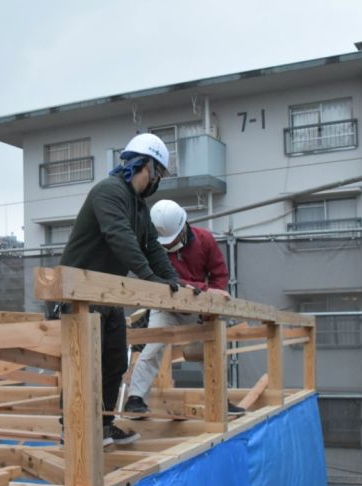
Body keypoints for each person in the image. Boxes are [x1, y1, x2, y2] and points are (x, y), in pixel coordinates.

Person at [58, 132, 182, 447]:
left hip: (108, 296)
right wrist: (147, 277)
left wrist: (171, 283)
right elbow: (119, 236)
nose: (157, 181)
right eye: (159, 173)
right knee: (83, 363)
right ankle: (72, 430)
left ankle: (103, 426)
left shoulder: (139, 207)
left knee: (114, 362)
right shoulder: (108, 192)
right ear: (148, 167)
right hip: (79, 296)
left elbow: (152, 247)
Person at [124, 199, 245, 417]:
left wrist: (212, 307)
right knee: (153, 348)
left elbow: (219, 275)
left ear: (182, 228)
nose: (167, 246)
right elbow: (162, 279)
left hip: (199, 309)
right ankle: (135, 399)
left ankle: (221, 400)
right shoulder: (153, 246)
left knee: (211, 352)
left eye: (169, 241)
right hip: (166, 306)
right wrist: (202, 287)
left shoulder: (204, 239)